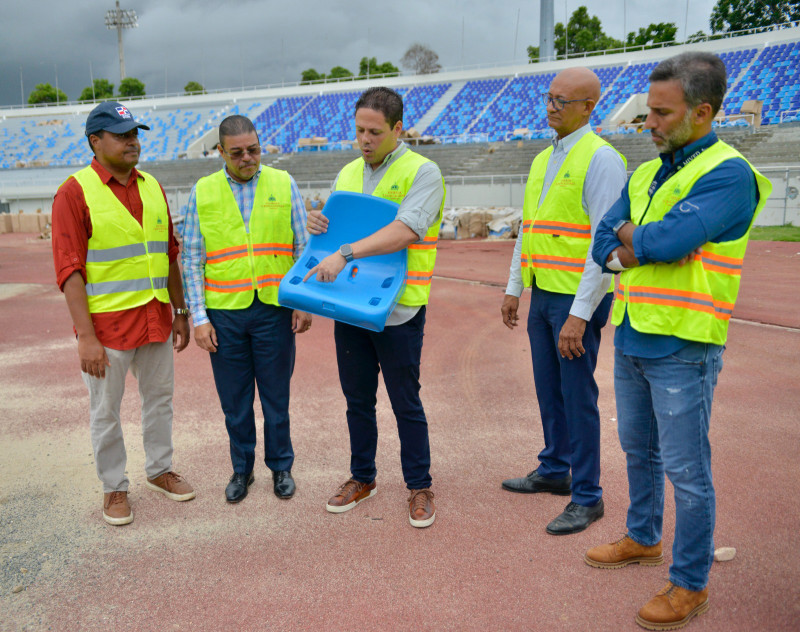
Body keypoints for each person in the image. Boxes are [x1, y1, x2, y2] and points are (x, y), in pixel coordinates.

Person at [587, 52, 771, 630]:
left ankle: (690, 582)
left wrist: (640, 240)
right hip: (635, 332)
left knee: (688, 471)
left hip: (686, 346)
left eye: (662, 115)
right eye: (649, 113)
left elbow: (668, 243)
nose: (650, 124)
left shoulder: (729, 173)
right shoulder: (646, 172)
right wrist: (632, 242)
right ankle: (643, 537)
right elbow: (603, 236)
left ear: (703, 112)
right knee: (637, 451)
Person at [304, 87, 445, 528]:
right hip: (351, 306)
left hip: (399, 309)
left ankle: (419, 485)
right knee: (357, 399)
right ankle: (363, 477)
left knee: (405, 400)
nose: (364, 140)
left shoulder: (424, 172)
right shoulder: (347, 173)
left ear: (397, 129)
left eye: (375, 132)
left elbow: (406, 231)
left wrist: (343, 253)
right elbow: (332, 229)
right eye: (359, 131)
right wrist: (317, 223)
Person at [51, 101, 195, 526]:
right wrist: (86, 336)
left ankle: (159, 469)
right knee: (105, 412)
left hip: (155, 318)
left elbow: (169, 255)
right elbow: (69, 270)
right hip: (106, 329)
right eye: (121, 134)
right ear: (95, 142)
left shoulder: (152, 186)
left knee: (159, 401)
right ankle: (114, 486)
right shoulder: (74, 192)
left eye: (135, 133)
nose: (132, 141)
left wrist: (181, 311)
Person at [500, 67, 627, 535]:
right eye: (549, 98)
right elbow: (527, 231)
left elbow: (603, 243)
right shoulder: (542, 160)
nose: (550, 106)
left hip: (578, 299)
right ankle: (555, 468)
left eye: (562, 101)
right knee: (549, 391)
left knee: (578, 398)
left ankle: (588, 495)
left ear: (588, 107)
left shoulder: (602, 159)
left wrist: (579, 314)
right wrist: (515, 286)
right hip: (543, 295)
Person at [181, 115, 311, 504]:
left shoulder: (282, 182)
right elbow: (190, 258)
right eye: (236, 152)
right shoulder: (202, 192)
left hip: (274, 310)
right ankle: (242, 469)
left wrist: (301, 301)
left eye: (253, 149)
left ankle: (281, 467)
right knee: (235, 401)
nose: (247, 158)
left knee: (276, 397)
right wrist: (199, 318)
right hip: (225, 315)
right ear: (220, 151)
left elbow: (302, 248)